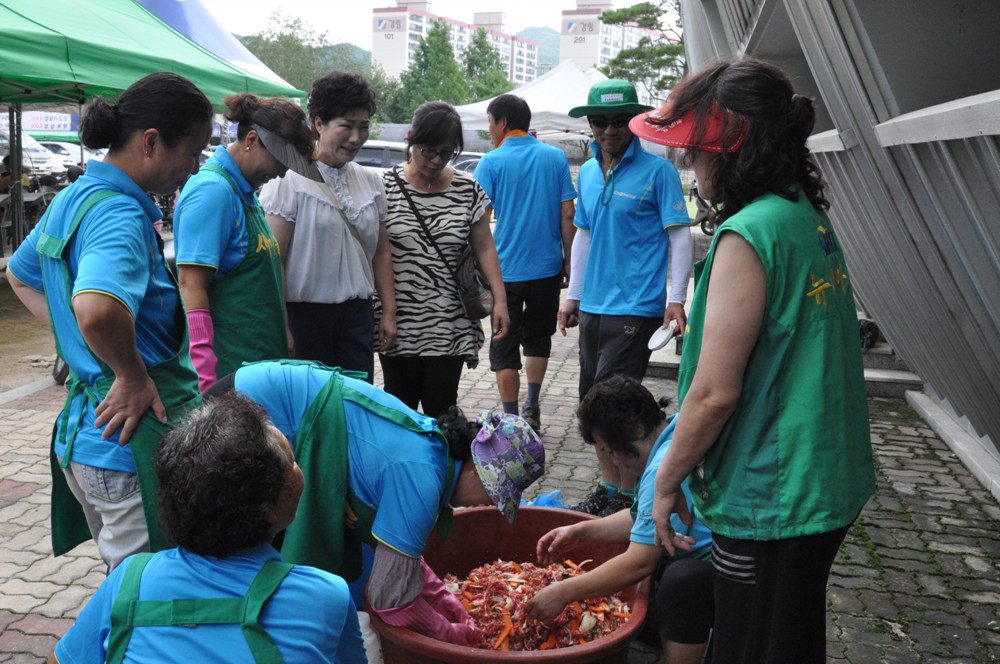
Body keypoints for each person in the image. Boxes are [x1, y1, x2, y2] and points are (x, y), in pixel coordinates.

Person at [635, 59, 876, 663]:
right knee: (789, 639)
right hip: (822, 477)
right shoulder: (802, 216)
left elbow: (715, 392)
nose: (690, 163)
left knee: (751, 646)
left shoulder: (747, 234)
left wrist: (665, 481)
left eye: (696, 149)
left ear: (731, 148)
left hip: (774, 492)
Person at [5, 72, 212, 570]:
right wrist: (130, 374)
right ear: (150, 143)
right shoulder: (118, 214)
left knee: (129, 586)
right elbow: (96, 310)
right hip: (126, 444)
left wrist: (85, 348)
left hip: (88, 439)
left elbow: (21, 274)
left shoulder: (74, 196)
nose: (194, 167)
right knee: (148, 599)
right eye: (193, 152)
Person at [205, 360, 544, 646]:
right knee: (238, 549)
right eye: (494, 495)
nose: (485, 505)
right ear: (477, 471)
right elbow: (389, 600)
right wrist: (456, 636)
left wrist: (445, 598)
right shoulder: (422, 477)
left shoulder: (433, 449)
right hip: (249, 413)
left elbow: (400, 553)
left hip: (254, 390)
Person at [47, 393, 366, 664]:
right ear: (268, 508)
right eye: (291, 461)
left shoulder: (129, 580)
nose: (299, 470)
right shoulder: (325, 595)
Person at [560, 79, 694, 516]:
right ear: (591, 125)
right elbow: (583, 235)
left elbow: (679, 237)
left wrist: (676, 298)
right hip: (595, 308)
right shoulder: (592, 171)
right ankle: (612, 492)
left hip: (636, 309)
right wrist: (572, 296)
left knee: (615, 411)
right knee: (592, 410)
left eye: (619, 122)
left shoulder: (660, 172)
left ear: (635, 123)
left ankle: (630, 498)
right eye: (601, 122)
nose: (609, 130)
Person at [524, 376, 712, 664]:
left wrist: (563, 592)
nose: (614, 462)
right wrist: (580, 531)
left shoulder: (663, 465)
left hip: (711, 568)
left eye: (611, 451)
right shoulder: (673, 432)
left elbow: (640, 561)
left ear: (636, 429)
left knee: (679, 583)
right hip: (696, 554)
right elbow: (642, 517)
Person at [173, 94, 318, 393]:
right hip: (229, 377)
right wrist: (204, 377)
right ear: (251, 139)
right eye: (280, 160)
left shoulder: (245, 192)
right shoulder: (213, 191)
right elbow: (190, 285)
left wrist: (283, 332)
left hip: (259, 369)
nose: (281, 172)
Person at [260, 72, 395, 382]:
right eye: (346, 126)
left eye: (363, 127)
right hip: (304, 319)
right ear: (318, 123)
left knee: (355, 405)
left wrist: (388, 311)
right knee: (312, 410)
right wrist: (282, 326)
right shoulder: (288, 180)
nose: (356, 138)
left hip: (358, 317)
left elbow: (381, 252)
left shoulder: (371, 182)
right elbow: (274, 260)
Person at [377, 101, 508, 417]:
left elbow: (485, 247)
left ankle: (442, 468)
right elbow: (377, 252)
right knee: (400, 410)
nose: (437, 160)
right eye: (429, 151)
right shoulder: (383, 187)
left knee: (442, 411)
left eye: (447, 152)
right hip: (398, 324)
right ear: (411, 138)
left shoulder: (467, 188)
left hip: (449, 323)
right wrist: (386, 312)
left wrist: (500, 301)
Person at [473, 94, 576, 431]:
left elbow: (479, 219)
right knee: (537, 337)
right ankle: (532, 405)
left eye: (490, 122)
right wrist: (569, 262)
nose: (489, 130)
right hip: (547, 267)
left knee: (504, 342)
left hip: (504, 271)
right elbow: (567, 213)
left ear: (502, 122)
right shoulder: (555, 158)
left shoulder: (491, 162)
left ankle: (512, 418)